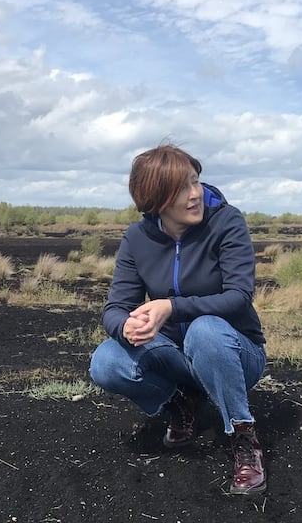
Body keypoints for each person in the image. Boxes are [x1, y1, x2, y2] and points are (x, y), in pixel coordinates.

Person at [89, 142, 268, 495]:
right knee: (106, 361)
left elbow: (238, 297)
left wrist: (171, 307)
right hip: (177, 358)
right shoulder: (138, 238)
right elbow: (114, 309)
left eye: (195, 181)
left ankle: (244, 440)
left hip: (235, 353)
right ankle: (179, 403)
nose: (195, 194)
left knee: (206, 332)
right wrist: (124, 326)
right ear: (156, 200)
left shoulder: (227, 222)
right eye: (181, 188)